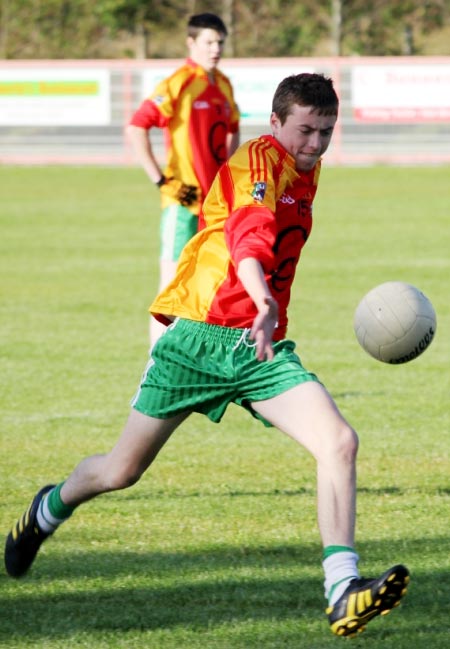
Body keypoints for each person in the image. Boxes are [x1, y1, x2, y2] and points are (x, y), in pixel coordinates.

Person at [4, 73, 409, 637]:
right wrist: (262, 295)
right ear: (275, 123)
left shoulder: (305, 173)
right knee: (120, 471)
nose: (315, 144)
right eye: (305, 131)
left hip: (257, 347)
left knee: (339, 441)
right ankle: (47, 510)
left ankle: (342, 590)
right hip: (199, 337)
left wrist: (265, 313)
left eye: (326, 131)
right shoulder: (256, 164)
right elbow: (250, 232)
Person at [126, 12, 240, 348]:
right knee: (170, 287)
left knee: (213, 285)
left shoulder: (223, 84)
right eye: (209, 41)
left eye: (220, 41)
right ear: (191, 43)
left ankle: (198, 361)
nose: (216, 48)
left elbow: (233, 129)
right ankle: (155, 365)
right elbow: (136, 127)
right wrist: (161, 181)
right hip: (183, 203)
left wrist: (229, 175)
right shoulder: (178, 83)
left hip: (216, 205)